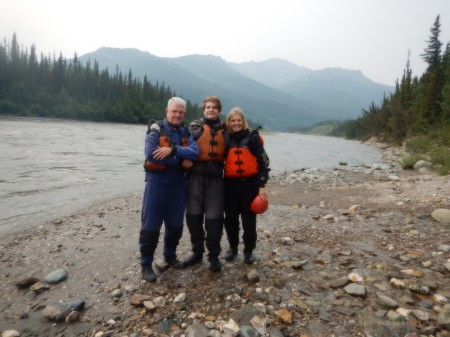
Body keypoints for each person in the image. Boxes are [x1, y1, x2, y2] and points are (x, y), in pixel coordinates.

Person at [139, 97, 199, 282]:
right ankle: (146, 264)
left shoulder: (186, 132)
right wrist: (181, 159)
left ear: (184, 114)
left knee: (175, 226)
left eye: (181, 112)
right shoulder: (156, 130)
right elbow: (152, 154)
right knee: (150, 227)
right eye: (174, 111)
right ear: (167, 111)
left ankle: (170, 256)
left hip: (178, 186)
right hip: (156, 185)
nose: (177, 114)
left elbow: (195, 152)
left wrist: (173, 151)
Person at [182, 95, 228, 272]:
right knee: (193, 217)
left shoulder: (226, 131)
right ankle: (197, 253)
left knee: (214, 219)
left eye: (214, 107)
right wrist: (181, 162)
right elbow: (180, 146)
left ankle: (214, 256)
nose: (211, 110)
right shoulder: (193, 128)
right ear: (203, 109)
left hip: (216, 179)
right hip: (195, 177)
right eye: (208, 107)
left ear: (219, 111)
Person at [223, 107, 270, 264]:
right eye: (233, 120)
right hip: (230, 186)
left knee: (249, 221)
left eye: (238, 120)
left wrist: (262, 185)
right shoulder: (226, 138)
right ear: (229, 122)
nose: (236, 123)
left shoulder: (253, 138)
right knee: (230, 220)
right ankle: (233, 248)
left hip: (250, 185)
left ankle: (248, 251)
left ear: (243, 122)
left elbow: (264, 162)